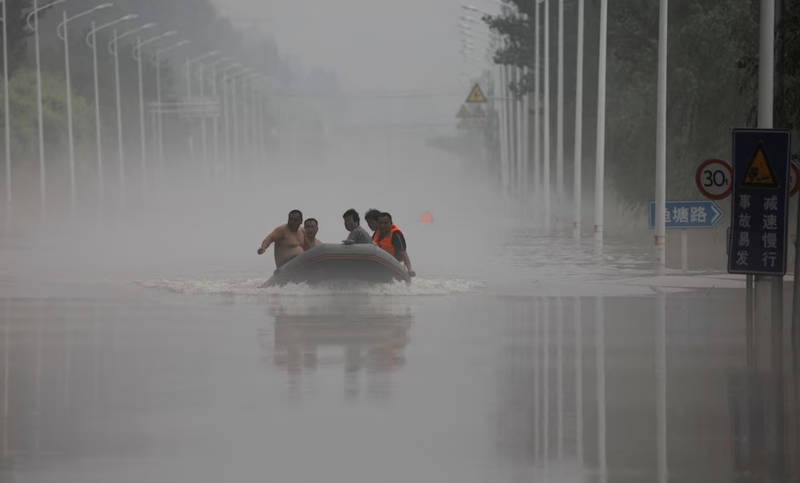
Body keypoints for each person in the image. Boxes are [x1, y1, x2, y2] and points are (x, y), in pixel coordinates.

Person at [374, 212, 415, 276]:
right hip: (381, 262)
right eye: (380, 223)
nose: (382, 225)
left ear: (391, 224)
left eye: (385, 223)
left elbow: (403, 253)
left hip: (395, 263)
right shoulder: (377, 232)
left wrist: (410, 270)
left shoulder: (396, 234)